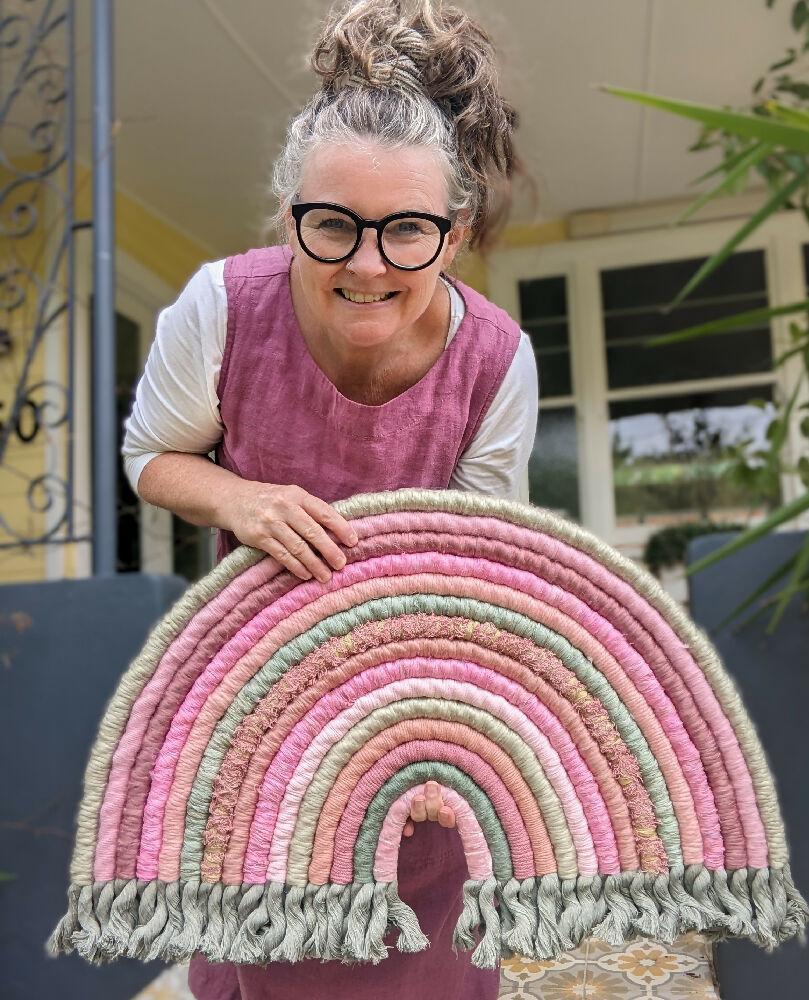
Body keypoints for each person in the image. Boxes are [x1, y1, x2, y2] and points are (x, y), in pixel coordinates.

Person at [122, 1, 538, 997]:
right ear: (287, 217)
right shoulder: (220, 308)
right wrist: (244, 497)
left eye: (405, 231)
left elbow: (484, 560)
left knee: (422, 942)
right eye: (331, 225)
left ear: (456, 233)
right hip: (260, 720)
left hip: (415, 696)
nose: (364, 263)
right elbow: (150, 456)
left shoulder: (496, 361)